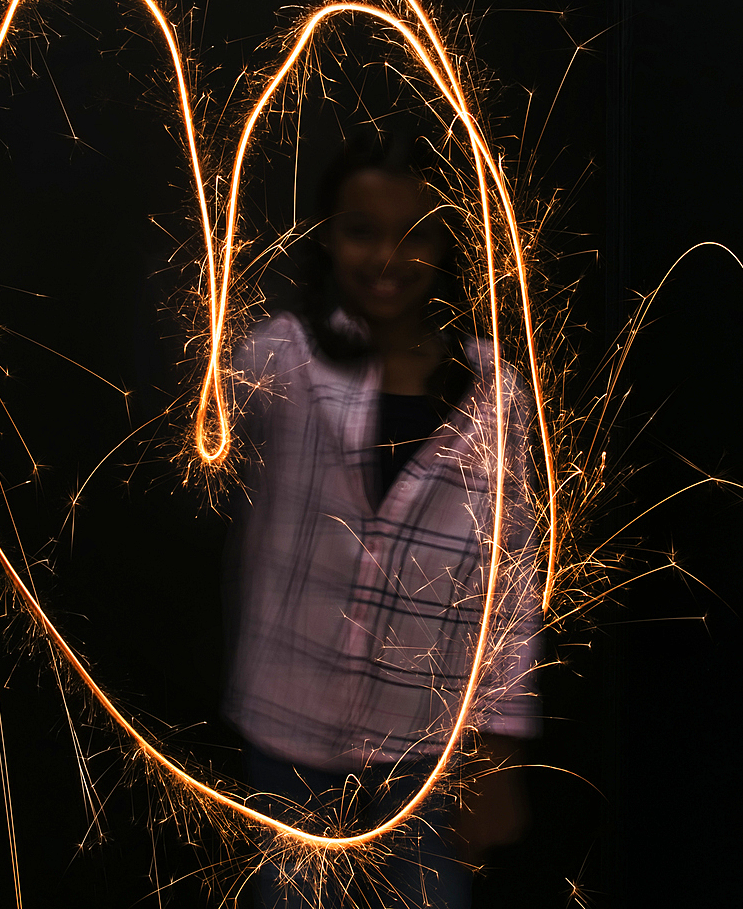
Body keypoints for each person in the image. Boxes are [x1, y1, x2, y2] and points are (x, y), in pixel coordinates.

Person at [221, 130, 541, 909]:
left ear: (446, 244)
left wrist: (499, 741)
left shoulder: (496, 396)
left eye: (415, 234)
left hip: (423, 740)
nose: (387, 259)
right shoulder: (282, 361)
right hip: (290, 719)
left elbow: (514, 582)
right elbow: (195, 410)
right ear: (328, 237)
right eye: (362, 231)